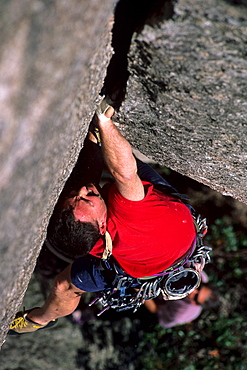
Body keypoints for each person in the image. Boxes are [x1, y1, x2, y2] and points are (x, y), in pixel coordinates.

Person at [9, 98, 211, 334]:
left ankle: (39, 320)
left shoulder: (127, 209)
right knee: (122, 172)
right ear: (101, 227)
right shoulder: (105, 225)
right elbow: (123, 176)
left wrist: (104, 125)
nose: (85, 190)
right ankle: (94, 140)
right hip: (176, 228)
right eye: (86, 196)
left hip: (157, 250)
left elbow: (124, 174)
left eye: (84, 196)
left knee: (63, 285)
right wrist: (103, 124)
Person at [144, 271, 219, 328]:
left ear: (194, 303)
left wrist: (140, 291)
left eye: (195, 296)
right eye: (199, 287)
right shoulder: (199, 275)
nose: (193, 290)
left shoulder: (182, 313)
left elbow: (155, 309)